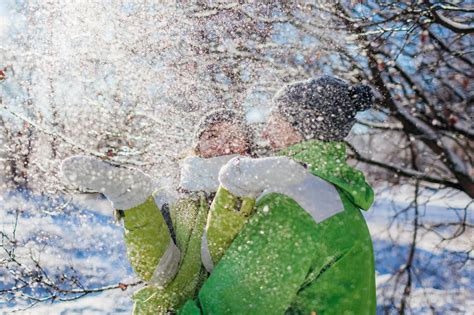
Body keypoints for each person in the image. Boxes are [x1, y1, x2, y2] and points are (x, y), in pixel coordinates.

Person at [180, 76, 376, 315]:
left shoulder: (292, 202)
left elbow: (233, 305)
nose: (264, 129)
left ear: (299, 126)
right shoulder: (329, 191)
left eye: (275, 117)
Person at [60, 109, 254, 314]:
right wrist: (133, 204)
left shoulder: (260, 195)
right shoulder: (169, 200)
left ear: (248, 148)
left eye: (233, 137)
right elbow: (156, 271)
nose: (221, 145)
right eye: (212, 135)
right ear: (197, 146)